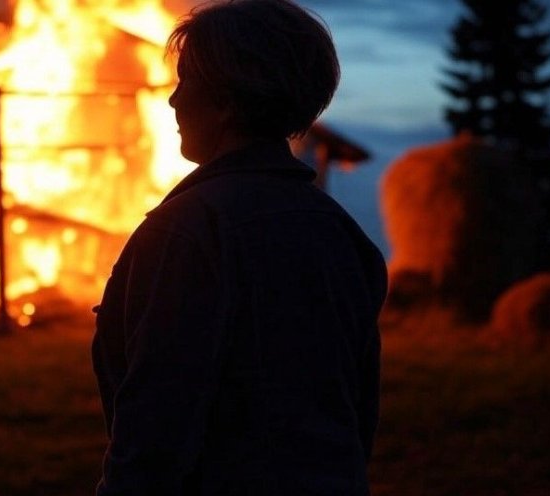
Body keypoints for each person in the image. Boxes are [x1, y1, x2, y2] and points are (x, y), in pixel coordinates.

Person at [91, 1, 388, 494]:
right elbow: (357, 417)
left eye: (185, 80)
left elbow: (154, 435)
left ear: (227, 99)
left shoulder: (186, 232)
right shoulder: (343, 235)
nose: (172, 101)